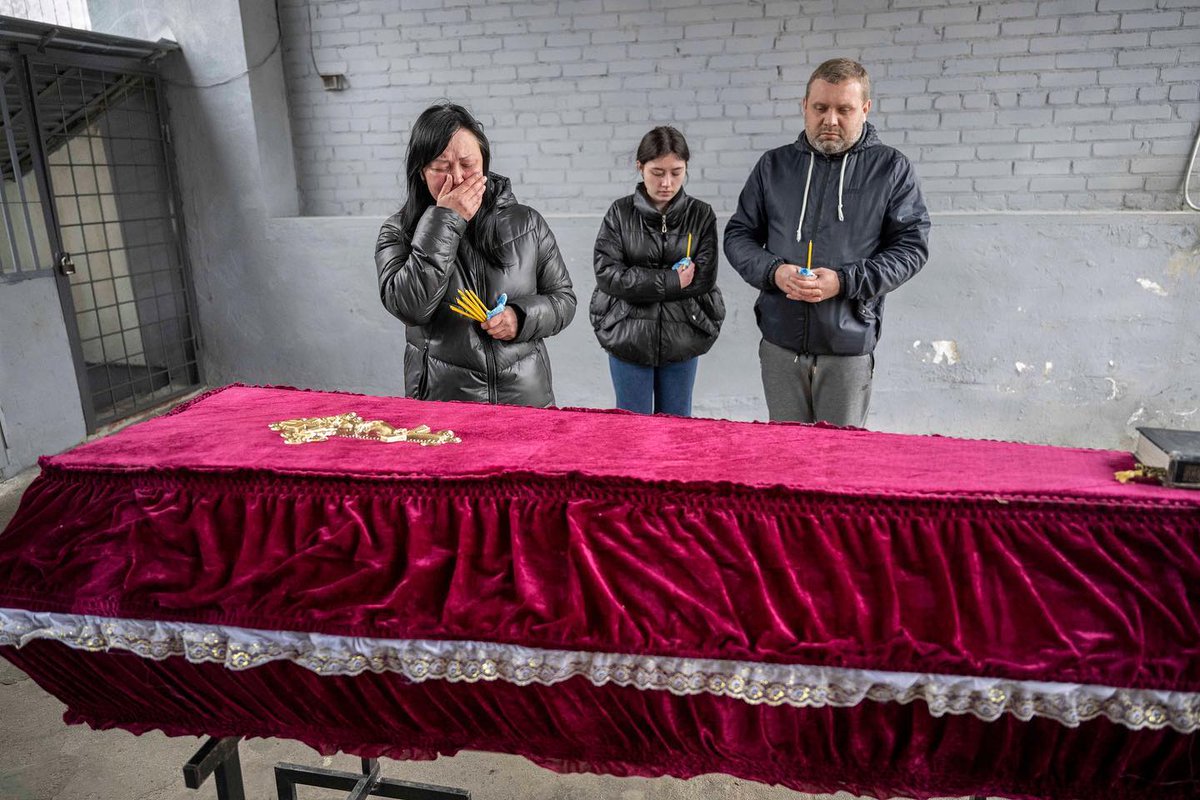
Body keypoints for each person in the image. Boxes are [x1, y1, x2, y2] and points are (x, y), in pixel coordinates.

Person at [724, 58, 930, 427]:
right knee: (786, 461)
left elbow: (911, 247)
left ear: (864, 110)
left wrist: (845, 281)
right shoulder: (773, 166)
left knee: (839, 466)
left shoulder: (890, 169)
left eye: (844, 109)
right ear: (804, 106)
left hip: (848, 344)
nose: (830, 120)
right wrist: (774, 272)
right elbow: (739, 235)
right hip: (780, 343)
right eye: (820, 107)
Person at [376, 103, 576, 407]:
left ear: (485, 162)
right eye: (442, 167)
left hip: (526, 400)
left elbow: (563, 300)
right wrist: (445, 220)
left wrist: (521, 318)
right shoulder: (397, 231)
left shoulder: (527, 222)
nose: (457, 178)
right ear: (421, 171)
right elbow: (411, 307)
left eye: (468, 164)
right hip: (445, 405)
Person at [590, 126, 724, 416]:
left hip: (684, 334)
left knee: (677, 427)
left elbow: (703, 279)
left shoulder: (701, 214)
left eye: (676, 172)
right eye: (657, 172)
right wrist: (671, 280)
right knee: (632, 428)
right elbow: (608, 275)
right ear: (640, 168)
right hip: (628, 333)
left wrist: (639, 279)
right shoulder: (620, 212)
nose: (667, 182)